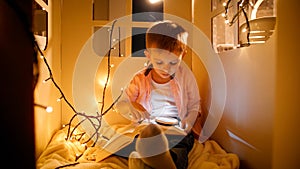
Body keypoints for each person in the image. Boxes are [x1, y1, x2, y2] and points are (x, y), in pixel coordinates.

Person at [115, 20, 201, 169]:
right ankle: (146, 159)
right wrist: (131, 107)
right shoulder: (140, 79)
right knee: (134, 141)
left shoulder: (186, 77)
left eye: (173, 63)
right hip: (149, 129)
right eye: (159, 62)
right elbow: (120, 104)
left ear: (183, 55)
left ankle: (162, 162)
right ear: (148, 55)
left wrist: (190, 119)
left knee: (179, 147)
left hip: (176, 130)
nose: (166, 68)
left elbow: (195, 105)